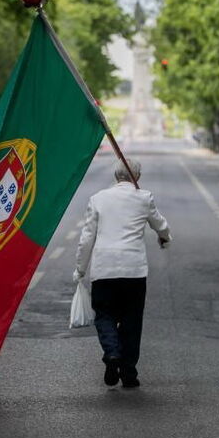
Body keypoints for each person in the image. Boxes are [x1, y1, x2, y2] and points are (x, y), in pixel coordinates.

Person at [74, 158, 171, 388]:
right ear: (136, 177)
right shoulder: (144, 198)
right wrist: (165, 238)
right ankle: (128, 373)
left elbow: (87, 238)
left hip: (104, 270)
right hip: (133, 271)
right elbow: (161, 225)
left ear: (116, 176)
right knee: (131, 321)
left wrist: (80, 269)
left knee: (105, 315)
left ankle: (112, 352)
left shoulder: (98, 199)